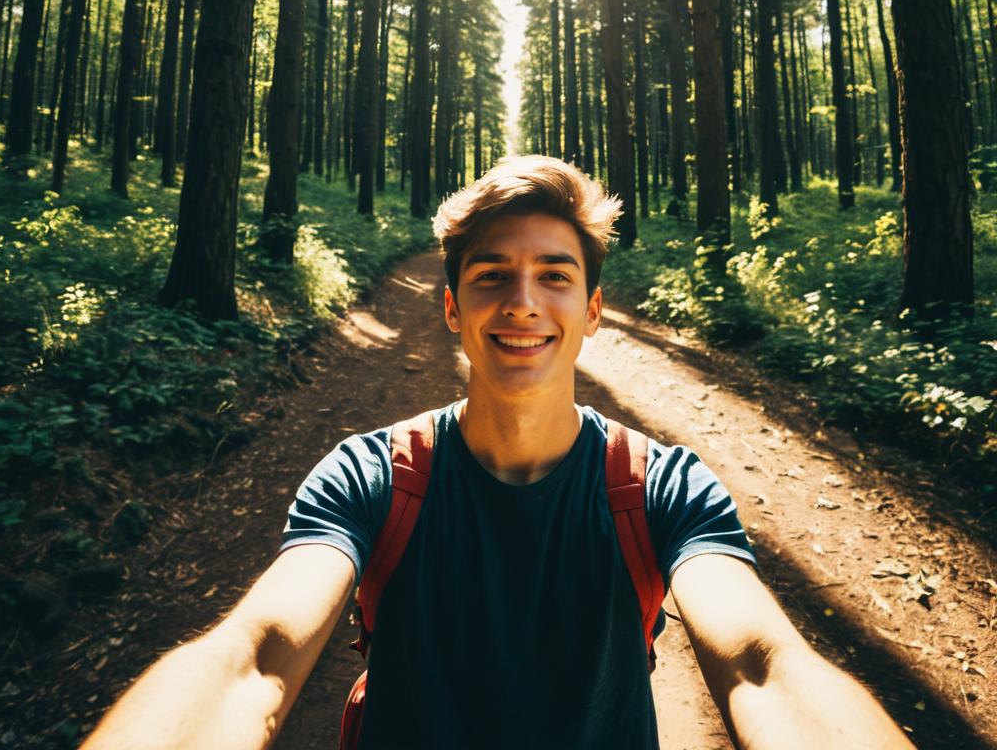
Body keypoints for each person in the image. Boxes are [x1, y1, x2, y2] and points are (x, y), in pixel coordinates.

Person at [82, 156, 913, 750]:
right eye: (491, 276)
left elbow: (765, 667)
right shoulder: (371, 476)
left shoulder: (664, 489)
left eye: (554, 276)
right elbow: (256, 655)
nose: (523, 303)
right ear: (450, 307)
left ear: (593, 310)